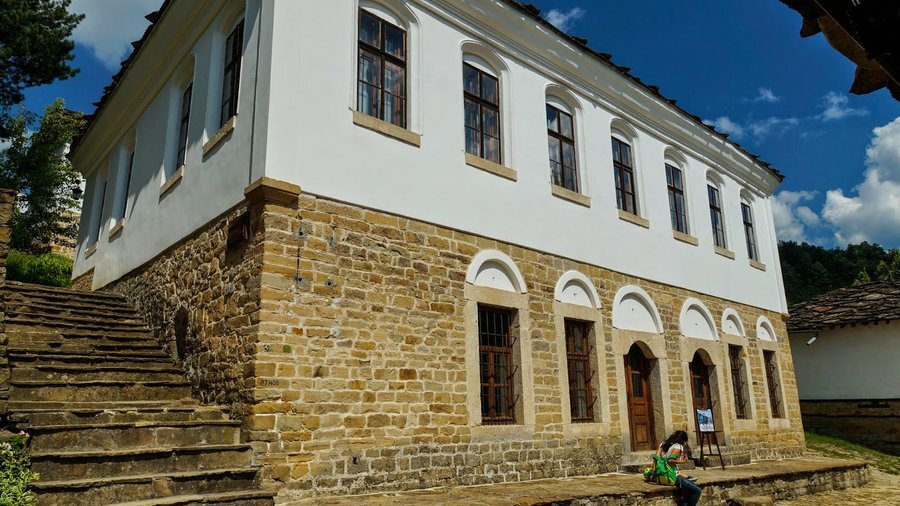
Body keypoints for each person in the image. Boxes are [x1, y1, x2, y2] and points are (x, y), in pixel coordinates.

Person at [656, 430, 702, 506]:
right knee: (697, 491)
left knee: (687, 491)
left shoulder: (663, 444)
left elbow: (656, 458)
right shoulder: (678, 446)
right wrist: (683, 461)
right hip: (672, 476)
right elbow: (670, 460)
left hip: (662, 475)